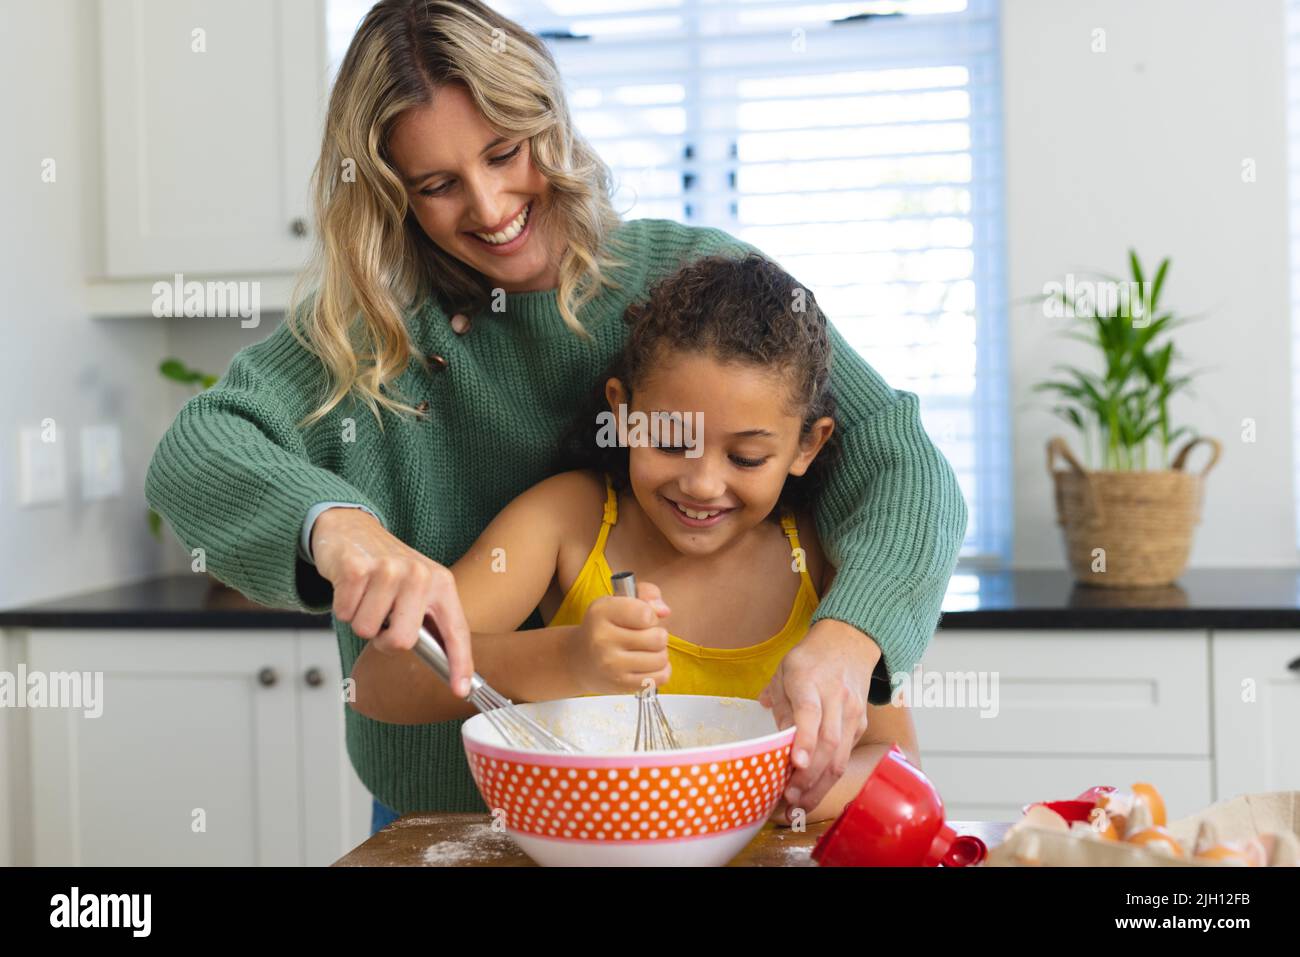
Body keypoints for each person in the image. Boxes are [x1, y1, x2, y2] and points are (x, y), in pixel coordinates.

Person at [144, 0, 965, 833]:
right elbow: (198, 448)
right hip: (446, 822)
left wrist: (851, 633)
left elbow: (895, 453)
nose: (491, 203)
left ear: (550, 122)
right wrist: (334, 526)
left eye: (506, 152)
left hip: (674, 818)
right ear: (392, 193)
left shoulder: (690, 280)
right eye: (437, 185)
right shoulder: (372, 327)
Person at [350, 253, 921, 827]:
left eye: (747, 457)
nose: (702, 484)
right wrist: (565, 658)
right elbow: (379, 679)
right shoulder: (569, 522)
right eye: (671, 440)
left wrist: (763, 797)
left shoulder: (821, 553)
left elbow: (894, 758)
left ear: (806, 446)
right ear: (623, 412)